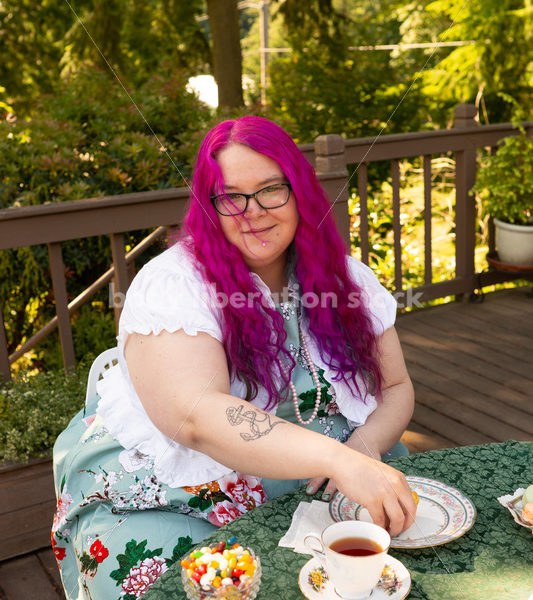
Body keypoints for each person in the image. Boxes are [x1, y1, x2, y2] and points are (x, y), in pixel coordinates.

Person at [52, 116, 416, 599]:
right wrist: (339, 459)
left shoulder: (346, 278)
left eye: (271, 190)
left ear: (299, 191)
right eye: (231, 197)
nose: (253, 211)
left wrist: (361, 452)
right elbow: (198, 418)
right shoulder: (175, 285)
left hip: (329, 475)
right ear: (210, 204)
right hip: (175, 490)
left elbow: (395, 387)